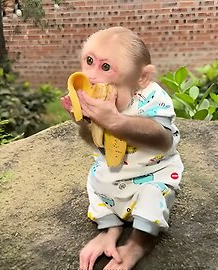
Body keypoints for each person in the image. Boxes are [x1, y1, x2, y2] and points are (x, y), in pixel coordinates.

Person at [60, 26, 184, 270]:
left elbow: (164, 139)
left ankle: (139, 243)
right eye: (89, 61)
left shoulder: (151, 97)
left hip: (152, 173)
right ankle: (109, 229)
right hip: (112, 172)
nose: (92, 75)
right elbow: (94, 142)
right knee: (96, 183)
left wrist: (114, 121)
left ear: (141, 77)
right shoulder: (95, 95)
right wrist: (84, 122)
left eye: (106, 67)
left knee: (152, 196)